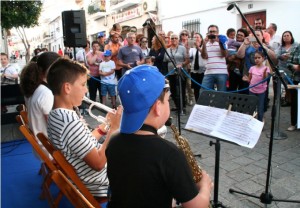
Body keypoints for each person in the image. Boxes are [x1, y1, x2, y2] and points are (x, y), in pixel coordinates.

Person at [105, 65, 213, 208]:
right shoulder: (169, 154)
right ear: (157, 107)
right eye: (167, 100)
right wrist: (205, 186)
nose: (168, 103)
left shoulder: (113, 141)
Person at [47, 58, 122, 199]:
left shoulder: (56, 115)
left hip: (89, 177)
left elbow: (82, 144)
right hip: (101, 183)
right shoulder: (68, 121)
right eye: (83, 84)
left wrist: (105, 126)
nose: (86, 89)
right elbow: (98, 163)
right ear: (67, 88)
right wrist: (114, 130)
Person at [19, 52, 60, 138]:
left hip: (42, 144)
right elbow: (55, 128)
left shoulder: (34, 87)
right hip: (50, 147)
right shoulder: (45, 93)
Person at [163, 33, 189, 114]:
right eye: (172, 38)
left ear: (178, 39)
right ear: (170, 40)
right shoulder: (167, 50)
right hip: (171, 73)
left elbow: (187, 60)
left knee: (182, 90)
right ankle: (178, 106)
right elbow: (165, 61)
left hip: (181, 72)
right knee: (173, 91)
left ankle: (183, 107)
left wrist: (182, 64)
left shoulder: (182, 48)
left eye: (176, 38)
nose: (174, 39)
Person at [201, 24, 228, 92]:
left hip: (221, 72)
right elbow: (204, 56)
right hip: (208, 72)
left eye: (214, 31)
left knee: (221, 94)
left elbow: (224, 55)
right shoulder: (205, 43)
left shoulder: (222, 42)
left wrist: (220, 43)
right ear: (208, 33)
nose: (212, 33)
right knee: (203, 93)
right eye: (210, 32)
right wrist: (204, 43)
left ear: (217, 33)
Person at [276, 31, 298, 107]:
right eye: (284, 36)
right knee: (284, 85)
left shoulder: (296, 45)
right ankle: (286, 100)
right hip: (282, 68)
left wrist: (290, 56)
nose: (286, 37)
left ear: (291, 36)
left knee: (291, 85)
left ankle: (292, 100)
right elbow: (276, 54)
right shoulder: (281, 46)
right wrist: (282, 56)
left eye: (287, 35)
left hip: (293, 69)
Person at [247, 51, 270, 121]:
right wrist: (246, 79)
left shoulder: (266, 68)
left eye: (259, 58)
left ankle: (259, 122)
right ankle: (251, 121)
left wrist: (264, 73)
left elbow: (265, 79)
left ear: (263, 58)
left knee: (260, 107)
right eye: (255, 58)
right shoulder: (252, 68)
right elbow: (249, 79)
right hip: (252, 90)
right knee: (251, 107)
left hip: (261, 91)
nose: (257, 59)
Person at [286, 43, 300, 131]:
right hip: (296, 79)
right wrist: (294, 66)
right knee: (294, 103)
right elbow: (288, 63)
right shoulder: (296, 48)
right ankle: (293, 123)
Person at [189, 33, 206, 102]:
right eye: (194, 37)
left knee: (202, 88)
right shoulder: (192, 49)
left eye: (197, 37)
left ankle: (204, 103)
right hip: (194, 71)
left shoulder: (204, 47)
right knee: (196, 89)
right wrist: (187, 49)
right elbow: (189, 58)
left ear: (201, 39)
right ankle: (197, 103)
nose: (196, 39)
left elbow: (204, 55)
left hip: (203, 71)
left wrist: (198, 47)